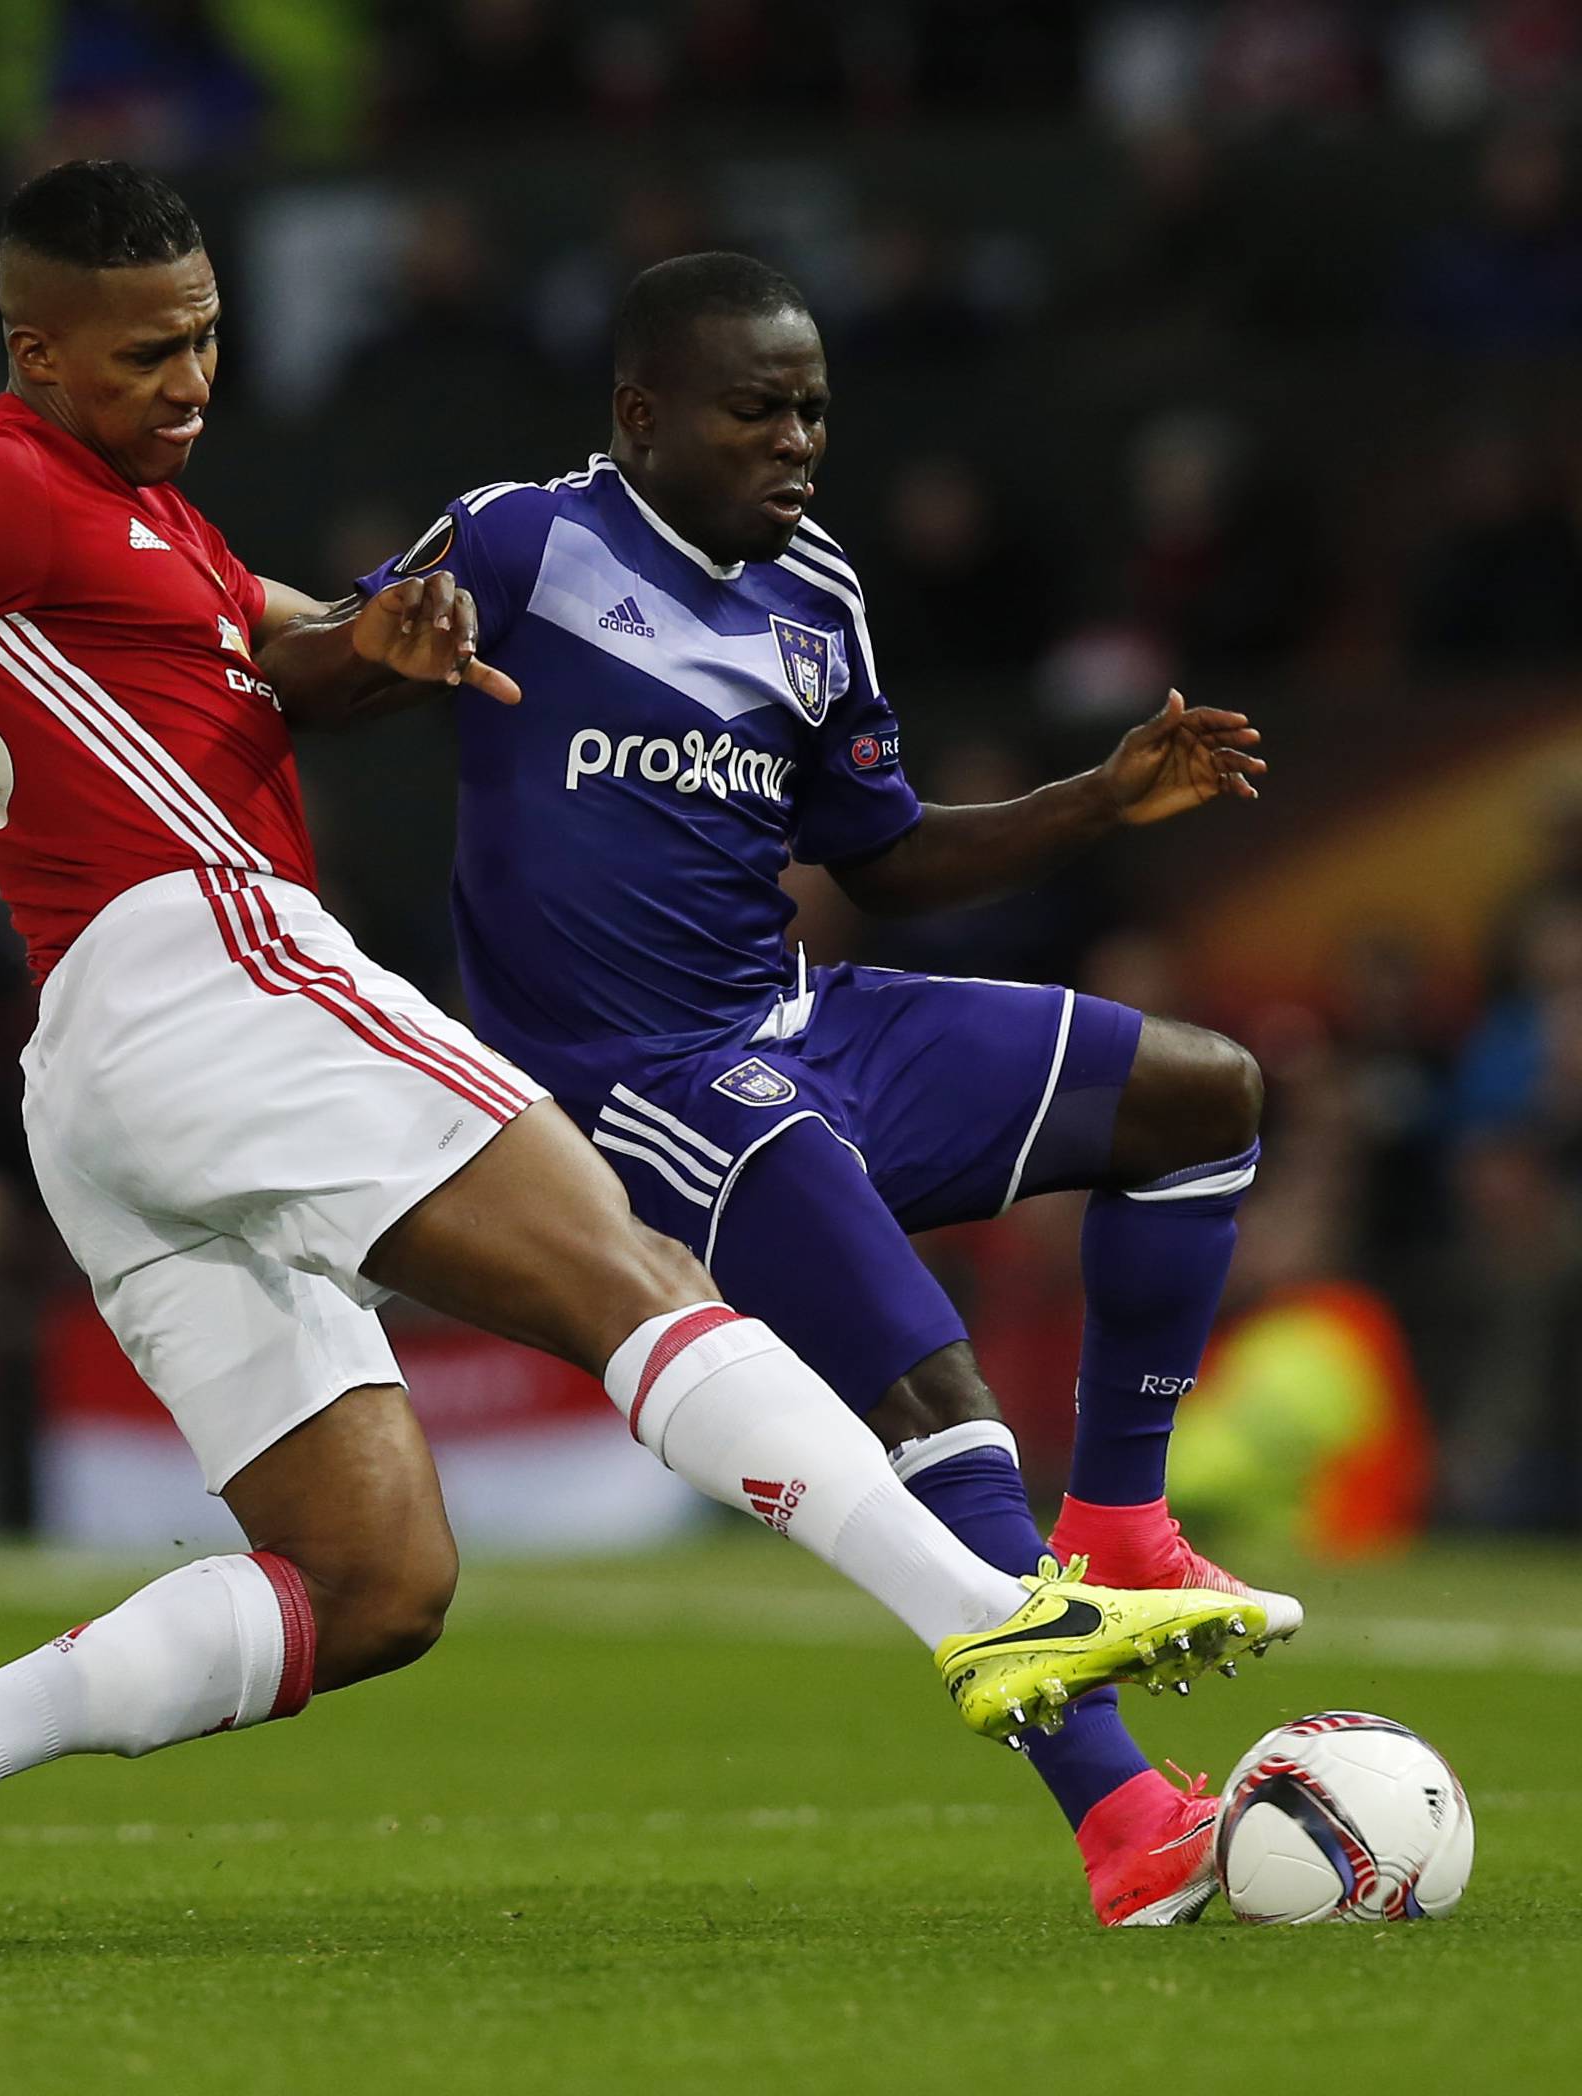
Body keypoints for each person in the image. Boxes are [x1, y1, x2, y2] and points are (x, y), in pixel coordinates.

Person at [0, 169, 1260, 1959]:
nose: (190, 379)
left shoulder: (162, 534)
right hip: (205, 956)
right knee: (627, 1267)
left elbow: (289, 651)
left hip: (112, 1084)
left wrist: (381, 647)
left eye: (204, 337)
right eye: (141, 353)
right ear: (33, 348)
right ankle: (986, 1615)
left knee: (375, 1583)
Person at [307, 252, 1302, 1926]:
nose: (798, 443)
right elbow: (314, 675)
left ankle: (1121, 1524)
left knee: (1206, 1097)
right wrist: (370, 655)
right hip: (626, 1082)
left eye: (815, 411)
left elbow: (888, 859)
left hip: (795, 1022)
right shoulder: (521, 540)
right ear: (642, 416)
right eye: (757, 409)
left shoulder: (817, 591)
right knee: (932, 1389)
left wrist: (1092, 800)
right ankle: (1125, 1817)